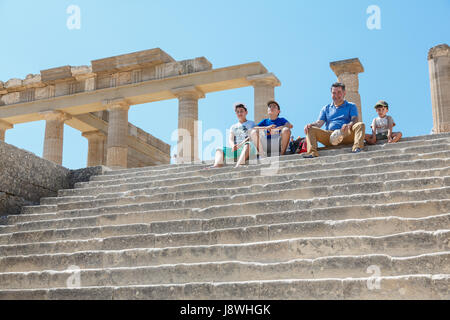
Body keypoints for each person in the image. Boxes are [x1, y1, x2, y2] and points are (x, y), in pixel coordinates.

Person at [303, 82, 365, 158]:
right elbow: (319, 123)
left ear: (344, 93)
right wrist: (310, 125)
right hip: (330, 136)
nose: (336, 95)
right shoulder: (326, 108)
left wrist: (349, 125)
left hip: (345, 133)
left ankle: (357, 148)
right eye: (334, 93)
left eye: (339, 92)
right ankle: (312, 153)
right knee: (310, 129)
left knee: (360, 125)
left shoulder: (351, 106)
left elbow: (355, 119)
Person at [208, 103, 257, 168]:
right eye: (237, 112)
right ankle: (217, 165)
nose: (239, 113)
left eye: (241, 111)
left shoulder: (252, 123)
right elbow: (230, 139)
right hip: (238, 149)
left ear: (246, 112)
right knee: (219, 149)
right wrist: (233, 146)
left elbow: (254, 135)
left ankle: (238, 165)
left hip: (249, 148)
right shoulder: (233, 127)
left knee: (247, 144)